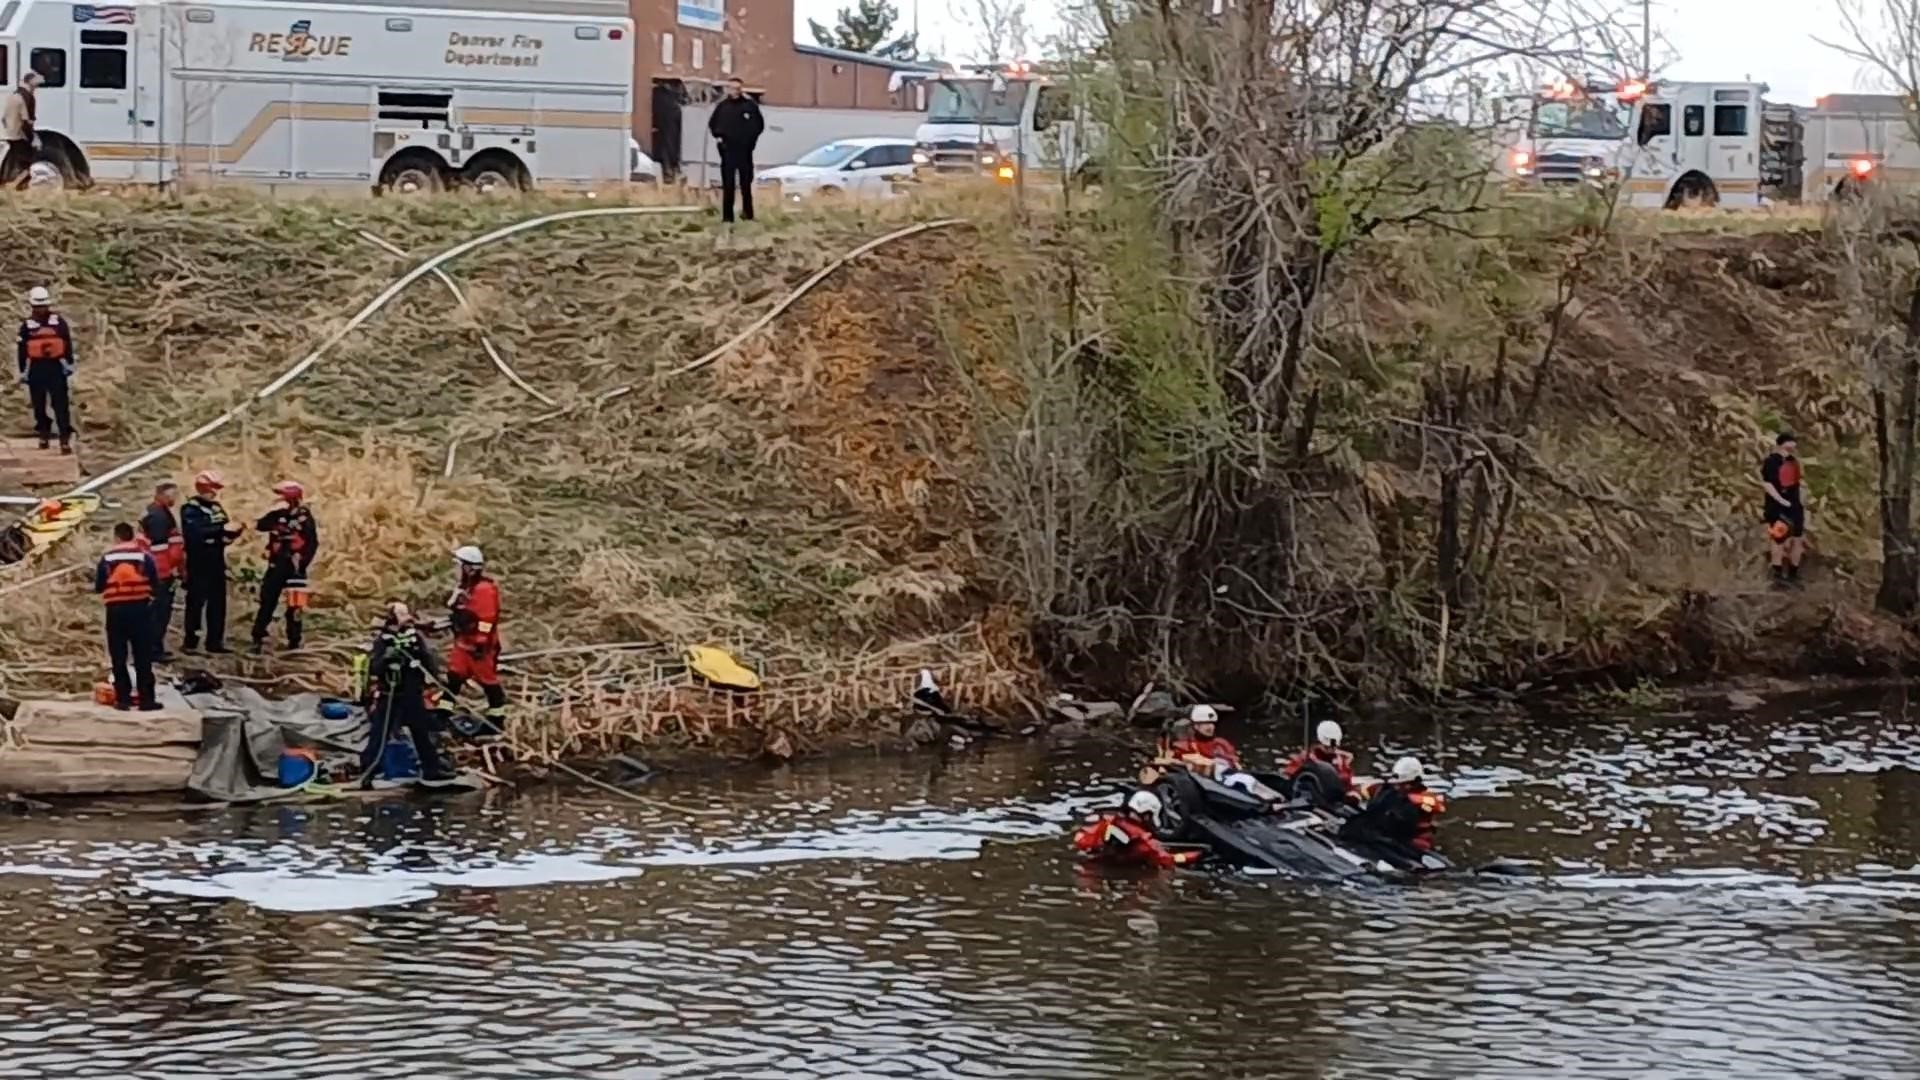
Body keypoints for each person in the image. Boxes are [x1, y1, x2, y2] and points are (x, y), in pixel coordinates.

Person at [363, 602, 452, 783]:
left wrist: (434, 679)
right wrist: (387, 658)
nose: (407, 618)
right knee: (379, 734)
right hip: (390, 694)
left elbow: (429, 663)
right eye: (402, 614)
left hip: (412, 693)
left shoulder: (415, 639)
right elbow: (374, 668)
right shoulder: (383, 641)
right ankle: (368, 769)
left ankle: (432, 769)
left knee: (421, 732)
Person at [93, 523, 161, 712]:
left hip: (116, 610)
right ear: (132, 536)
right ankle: (147, 699)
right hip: (140, 609)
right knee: (143, 655)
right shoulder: (144, 556)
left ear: (116, 537)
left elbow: (99, 586)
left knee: (119, 655)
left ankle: (123, 699)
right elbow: (155, 582)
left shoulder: (107, 558)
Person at [250, 480, 318, 654]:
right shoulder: (277, 515)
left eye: (282, 496)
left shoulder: (305, 518)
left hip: (295, 569)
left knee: (295, 606)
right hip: (276, 566)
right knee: (267, 601)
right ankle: (258, 635)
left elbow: (312, 544)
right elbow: (259, 525)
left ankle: (294, 639)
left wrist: (301, 562)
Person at [179, 470, 243, 653]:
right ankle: (191, 642)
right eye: (212, 489)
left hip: (216, 560)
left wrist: (234, 532)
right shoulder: (190, 509)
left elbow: (223, 528)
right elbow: (195, 534)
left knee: (217, 603)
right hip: (198, 561)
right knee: (195, 603)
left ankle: (215, 641)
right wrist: (221, 529)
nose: (214, 493)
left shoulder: (216, 507)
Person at [445, 544, 507, 731]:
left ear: (468, 568)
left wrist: (480, 642)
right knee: (454, 676)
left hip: (479, 647)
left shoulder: (484, 590)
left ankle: (496, 719)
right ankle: (443, 711)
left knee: (488, 681)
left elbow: (487, 619)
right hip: (464, 643)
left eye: (459, 565)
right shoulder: (466, 588)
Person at [1070, 790, 1200, 869]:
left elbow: (1082, 839)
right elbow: (1168, 860)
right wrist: (1195, 855)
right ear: (1147, 815)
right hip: (1104, 871)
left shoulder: (1108, 820)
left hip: (1087, 864)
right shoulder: (1143, 841)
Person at [16, 285, 74, 454]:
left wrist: (69, 364)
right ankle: (43, 432)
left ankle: (64, 438)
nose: (40, 309)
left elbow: (67, 343)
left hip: (56, 366)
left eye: (43, 305)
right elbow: (22, 349)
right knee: (38, 405)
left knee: (60, 404)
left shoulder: (59, 322)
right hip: (36, 368)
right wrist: (22, 371)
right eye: (37, 306)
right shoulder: (27, 326)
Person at [1352, 756, 1447, 852]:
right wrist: (1356, 795)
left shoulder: (1423, 798)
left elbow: (1438, 807)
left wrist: (1407, 800)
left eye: (1405, 783)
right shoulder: (1388, 790)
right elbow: (1365, 789)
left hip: (1413, 840)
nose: (1399, 786)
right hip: (1384, 834)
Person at [707, 77, 765, 225]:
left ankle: (748, 214)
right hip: (727, 152)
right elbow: (713, 125)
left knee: (746, 184)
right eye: (731, 88)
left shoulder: (749, 106)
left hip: (745, 152)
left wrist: (750, 142)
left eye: (737, 89)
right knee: (728, 184)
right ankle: (727, 217)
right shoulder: (722, 107)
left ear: (741, 90)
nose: (734, 91)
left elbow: (758, 126)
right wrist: (719, 138)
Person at [139, 482, 185, 662]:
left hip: (160, 571)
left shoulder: (157, 512)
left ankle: (152, 647)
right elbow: (159, 549)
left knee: (157, 612)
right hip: (161, 573)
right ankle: (153, 650)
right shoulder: (159, 517)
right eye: (171, 495)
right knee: (159, 613)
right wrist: (174, 567)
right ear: (161, 495)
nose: (173, 499)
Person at [1761, 431, 1808, 588]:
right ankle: (1778, 573)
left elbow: (1797, 482)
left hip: (1795, 505)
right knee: (1778, 539)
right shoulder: (1771, 462)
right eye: (1788, 445)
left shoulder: (1793, 462)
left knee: (1798, 538)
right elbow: (1767, 484)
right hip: (1778, 507)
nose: (1791, 449)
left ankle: (1794, 573)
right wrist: (1780, 500)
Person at [1282, 719, 1356, 800]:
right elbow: (1289, 781)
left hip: (1334, 803)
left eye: (1334, 746)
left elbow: (1348, 786)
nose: (1331, 749)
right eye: (1328, 746)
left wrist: (1353, 794)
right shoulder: (1304, 758)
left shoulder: (1342, 761)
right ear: (1320, 741)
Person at [1170, 704, 1241, 769]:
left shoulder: (1222, 743)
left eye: (1212, 723)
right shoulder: (1186, 745)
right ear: (1196, 726)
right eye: (1206, 723)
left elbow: (1235, 763)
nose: (1210, 727)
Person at [1, 71, 40, 186]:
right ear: (30, 83)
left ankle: (9, 182)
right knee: (28, 163)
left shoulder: (13, 96)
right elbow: (25, 120)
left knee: (16, 160)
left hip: (9, 134)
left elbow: (3, 118)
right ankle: (14, 185)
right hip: (19, 135)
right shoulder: (24, 97)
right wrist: (32, 137)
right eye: (36, 85)